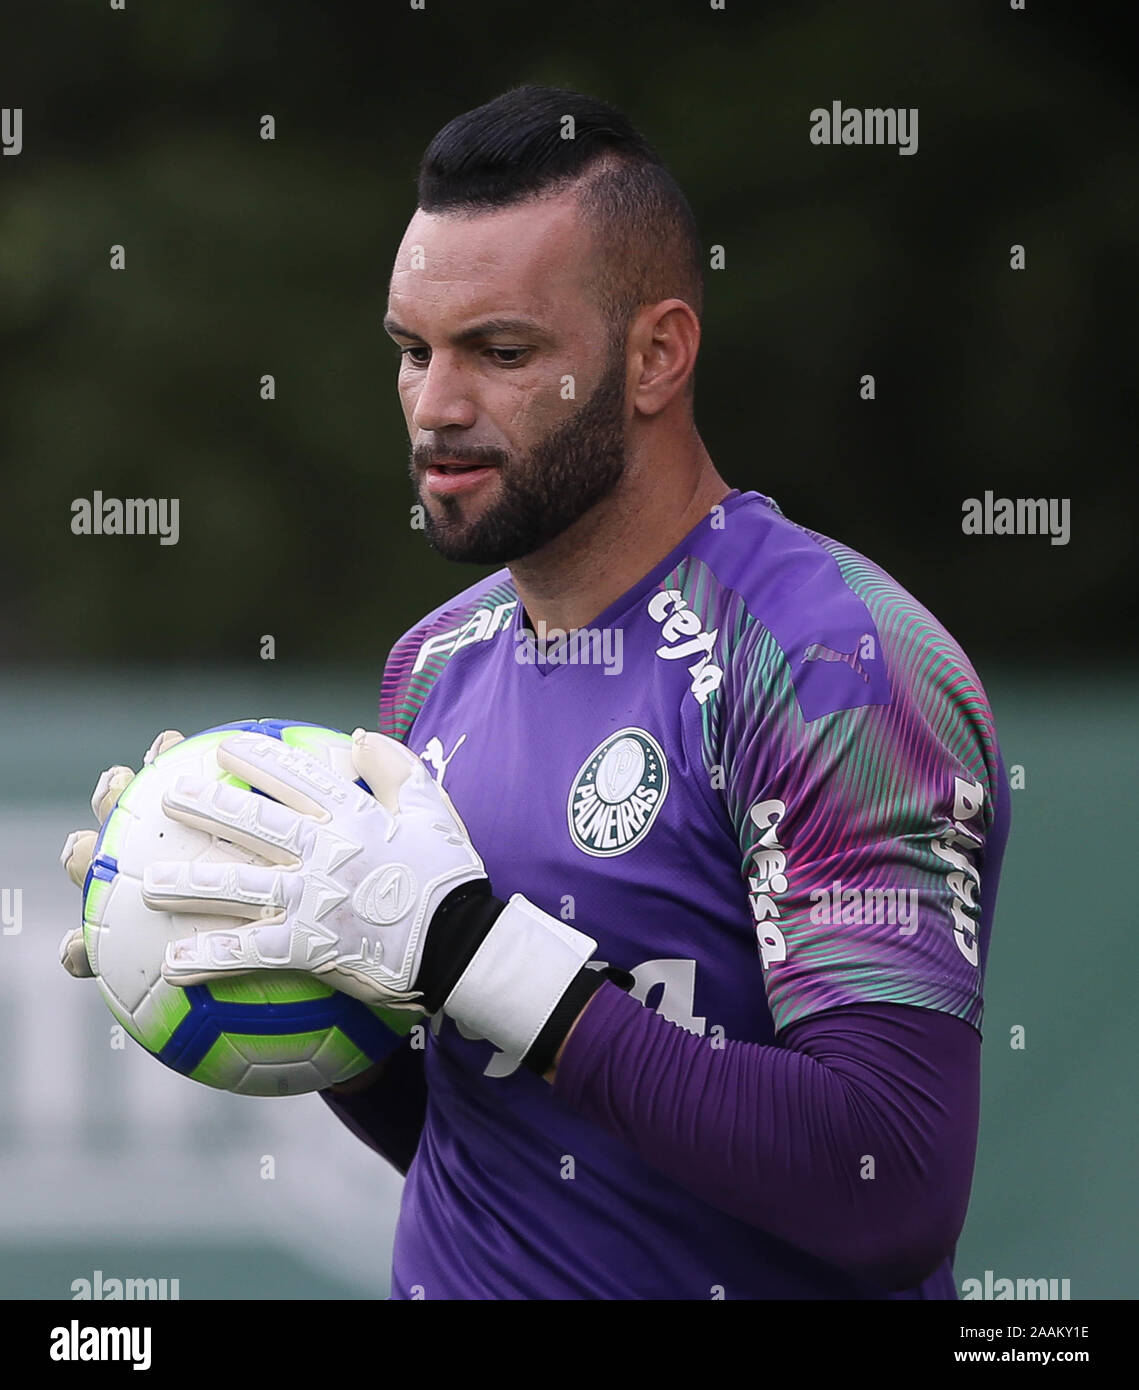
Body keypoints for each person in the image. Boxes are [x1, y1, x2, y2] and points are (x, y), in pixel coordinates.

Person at [62, 85, 1010, 1300]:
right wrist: (287, 975)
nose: (437, 406)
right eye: (413, 351)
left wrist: (473, 955)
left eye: (501, 353)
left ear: (657, 353)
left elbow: (889, 1182)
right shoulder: (438, 659)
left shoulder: (833, 661)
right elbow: (496, 1146)